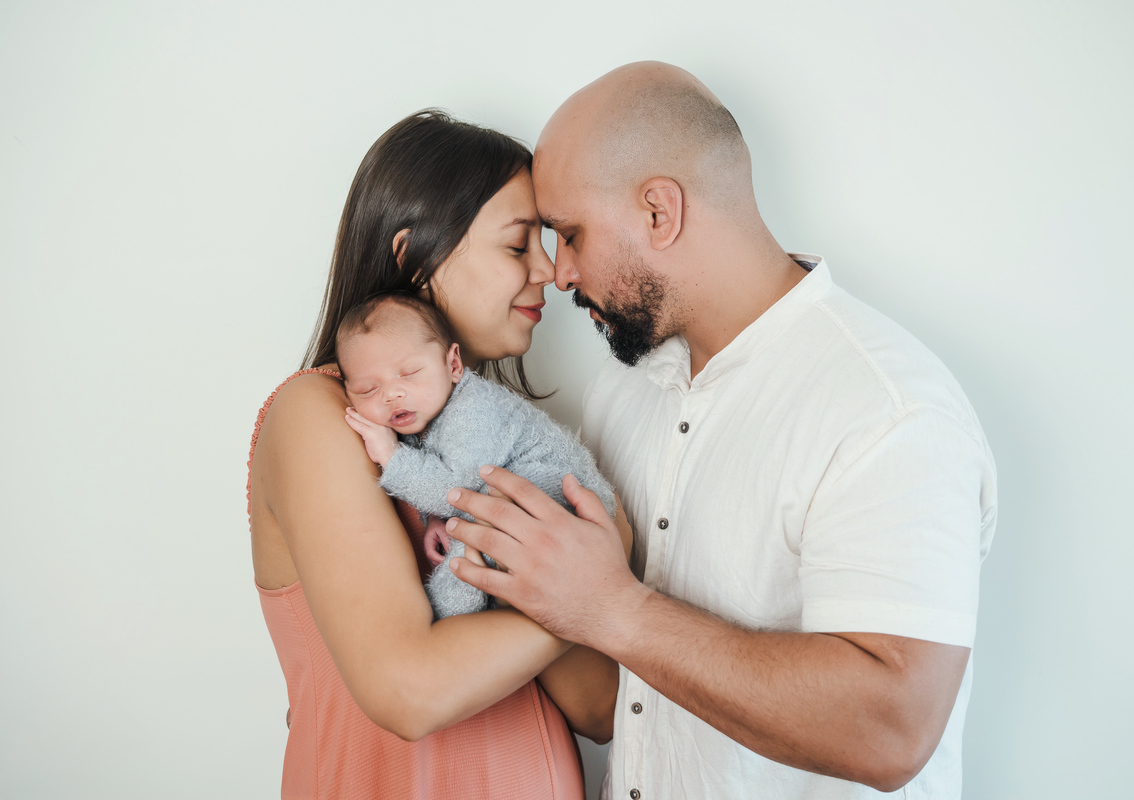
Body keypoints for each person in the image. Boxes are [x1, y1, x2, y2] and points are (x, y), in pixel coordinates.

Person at [443, 62, 999, 799]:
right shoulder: (623, 391)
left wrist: (614, 609)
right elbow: (616, 704)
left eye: (570, 234)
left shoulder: (886, 409)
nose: (560, 272)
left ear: (659, 212)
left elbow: (892, 731)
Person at [248, 109, 628, 799]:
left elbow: (600, 707)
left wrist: (581, 593)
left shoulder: (500, 442)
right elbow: (410, 691)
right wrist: (590, 594)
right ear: (412, 255)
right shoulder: (317, 416)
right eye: (517, 244)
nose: (550, 270)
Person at [335, 291, 616, 619]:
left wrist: (390, 454)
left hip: (566, 504)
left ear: (453, 365)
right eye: (368, 390)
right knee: (474, 542)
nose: (391, 394)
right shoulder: (423, 412)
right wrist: (436, 518)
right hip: (522, 510)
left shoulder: (475, 407)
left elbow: (456, 491)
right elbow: (443, 480)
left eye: (409, 373)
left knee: (468, 556)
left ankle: (443, 626)